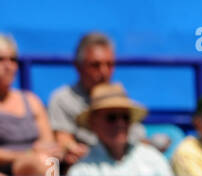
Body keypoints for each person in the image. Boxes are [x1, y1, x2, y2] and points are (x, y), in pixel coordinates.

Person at [0, 33, 62, 176]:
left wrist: (53, 151)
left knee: (51, 162)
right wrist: (29, 155)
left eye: (13, 59)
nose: (8, 66)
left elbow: (49, 144)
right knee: (43, 163)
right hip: (1, 170)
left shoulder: (32, 100)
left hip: (40, 163)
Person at [47, 31, 144, 168]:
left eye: (109, 64)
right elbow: (63, 142)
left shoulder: (120, 96)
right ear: (78, 67)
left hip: (122, 168)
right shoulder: (62, 99)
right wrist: (76, 152)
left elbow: (138, 139)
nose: (104, 72)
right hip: (80, 170)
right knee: (49, 164)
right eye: (95, 65)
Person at [66, 84, 171, 176]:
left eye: (125, 117)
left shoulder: (154, 159)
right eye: (111, 117)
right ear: (94, 123)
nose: (120, 123)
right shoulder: (82, 170)